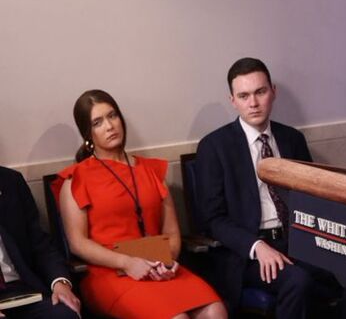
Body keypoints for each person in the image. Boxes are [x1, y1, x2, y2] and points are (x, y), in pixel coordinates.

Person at [195, 57, 346, 318]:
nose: (253, 103)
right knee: (297, 281)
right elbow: (213, 220)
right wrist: (256, 246)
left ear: (273, 92)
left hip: (299, 240)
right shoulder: (214, 147)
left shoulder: (292, 139)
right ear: (233, 100)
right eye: (244, 96)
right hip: (248, 252)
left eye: (260, 92)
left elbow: (313, 198)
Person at [56, 90, 227, 319]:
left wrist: (167, 262)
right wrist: (127, 263)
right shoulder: (76, 179)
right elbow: (78, 243)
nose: (109, 126)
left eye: (112, 116)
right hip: (110, 273)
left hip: (159, 265)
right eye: (98, 122)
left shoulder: (151, 170)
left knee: (216, 311)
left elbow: (172, 233)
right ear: (88, 133)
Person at [0, 167, 80, 319]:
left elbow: (40, 244)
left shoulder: (10, 180)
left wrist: (60, 282)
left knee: (65, 314)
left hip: (22, 289)